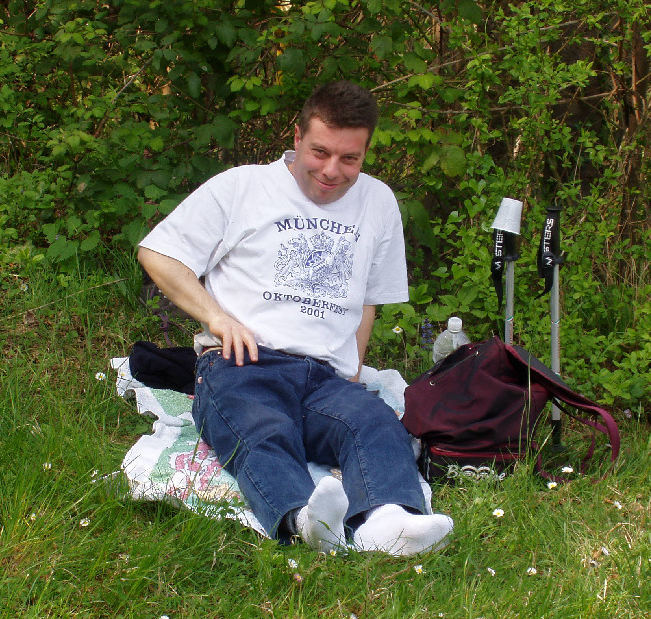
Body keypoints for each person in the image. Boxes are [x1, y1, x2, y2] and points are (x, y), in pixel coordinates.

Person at [137, 81, 453, 556]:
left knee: (374, 422)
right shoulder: (243, 186)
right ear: (298, 137)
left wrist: (352, 368)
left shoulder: (378, 202)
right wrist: (217, 318)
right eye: (320, 152)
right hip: (242, 364)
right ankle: (305, 521)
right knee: (261, 429)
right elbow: (158, 253)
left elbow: (368, 300)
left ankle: (388, 523)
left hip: (323, 378)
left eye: (350, 159)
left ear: (366, 151)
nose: (332, 170)